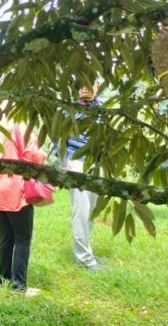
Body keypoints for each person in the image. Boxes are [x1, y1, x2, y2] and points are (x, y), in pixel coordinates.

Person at [0, 114, 46, 296]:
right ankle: (19, 286)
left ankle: (3, 279)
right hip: (14, 188)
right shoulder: (20, 122)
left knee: (6, 237)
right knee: (22, 238)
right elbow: (33, 155)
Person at [62, 84, 103, 271]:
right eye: (81, 85)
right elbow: (59, 137)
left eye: (89, 84)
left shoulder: (102, 109)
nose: (85, 88)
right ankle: (84, 259)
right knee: (81, 211)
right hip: (76, 162)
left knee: (92, 210)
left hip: (96, 164)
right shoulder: (68, 109)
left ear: (97, 86)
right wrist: (64, 163)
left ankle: (87, 252)